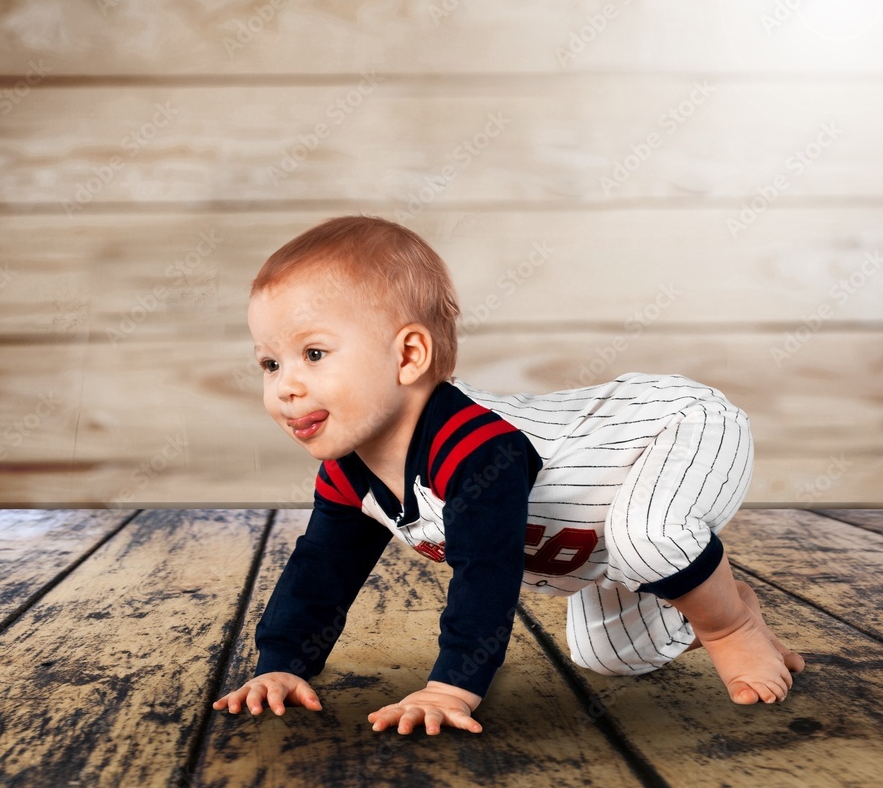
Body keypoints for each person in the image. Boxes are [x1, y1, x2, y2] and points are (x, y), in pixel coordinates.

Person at [213, 215, 804, 735]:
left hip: (673, 430)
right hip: (597, 548)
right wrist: (282, 664)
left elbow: (486, 573)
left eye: (313, 354)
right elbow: (322, 570)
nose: (285, 385)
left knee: (649, 538)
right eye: (270, 362)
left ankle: (727, 626)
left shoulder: (471, 447)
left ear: (408, 357)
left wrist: (451, 687)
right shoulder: (352, 473)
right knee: (610, 656)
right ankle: (716, 593)